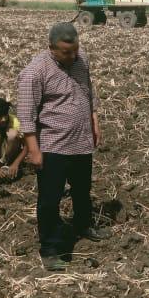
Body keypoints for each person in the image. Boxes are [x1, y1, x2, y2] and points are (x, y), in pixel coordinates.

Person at [17, 22, 110, 271]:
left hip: (81, 141)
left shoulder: (81, 61)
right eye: (65, 52)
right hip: (52, 145)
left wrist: (94, 123)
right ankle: (50, 248)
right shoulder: (35, 72)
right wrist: (34, 150)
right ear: (51, 48)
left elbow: (88, 94)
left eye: (75, 50)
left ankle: (83, 224)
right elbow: (26, 116)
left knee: (82, 189)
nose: (72, 56)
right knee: (50, 199)